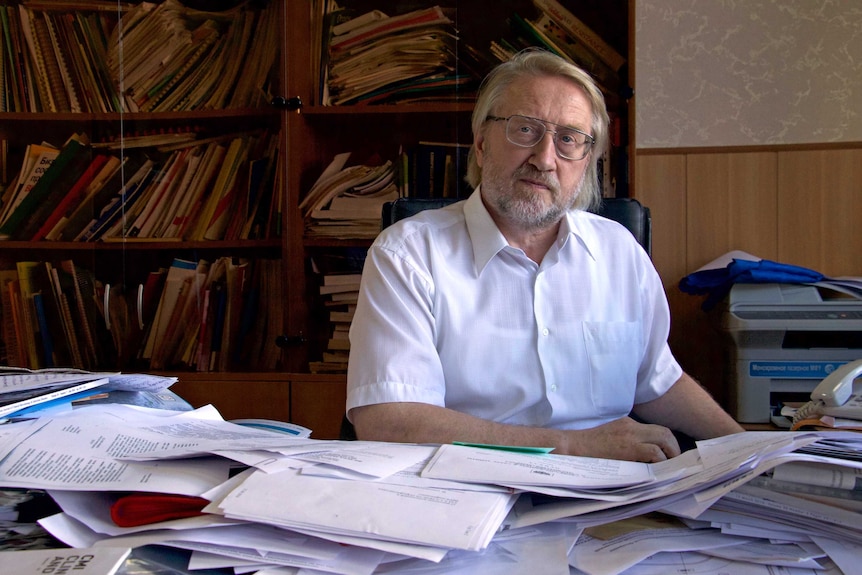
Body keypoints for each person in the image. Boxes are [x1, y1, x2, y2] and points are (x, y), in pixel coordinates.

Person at [345, 49, 743, 462]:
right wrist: (572, 447)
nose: (545, 158)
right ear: (481, 144)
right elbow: (388, 419)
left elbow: (656, 383)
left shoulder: (619, 250)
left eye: (568, 139)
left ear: (586, 161)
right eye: (524, 130)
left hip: (614, 490)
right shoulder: (409, 254)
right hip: (469, 492)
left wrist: (753, 448)